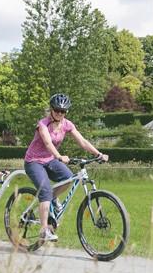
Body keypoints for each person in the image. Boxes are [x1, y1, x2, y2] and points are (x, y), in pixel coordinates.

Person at [24, 93, 108, 242]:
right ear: (51, 109)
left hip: (50, 159)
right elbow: (48, 143)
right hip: (34, 161)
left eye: (63, 111)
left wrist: (98, 153)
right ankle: (44, 230)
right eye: (57, 110)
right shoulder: (43, 124)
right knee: (45, 191)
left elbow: (82, 141)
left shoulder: (67, 124)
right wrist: (59, 157)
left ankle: (52, 199)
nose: (60, 113)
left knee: (69, 178)